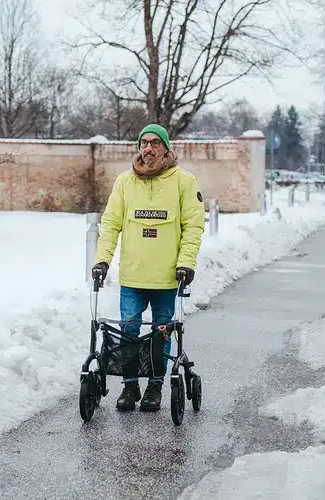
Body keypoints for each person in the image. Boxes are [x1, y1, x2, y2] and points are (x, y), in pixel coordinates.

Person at [92, 124, 205, 412]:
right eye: (144, 142)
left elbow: (193, 226)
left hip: (168, 278)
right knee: (129, 330)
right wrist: (102, 260)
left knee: (161, 332)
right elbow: (111, 224)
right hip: (133, 274)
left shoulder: (183, 181)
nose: (149, 148)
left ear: (166, 148)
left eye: (156, 143)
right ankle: (130, 387)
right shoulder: (125, 182)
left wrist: (186, 263)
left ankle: (155, 387)